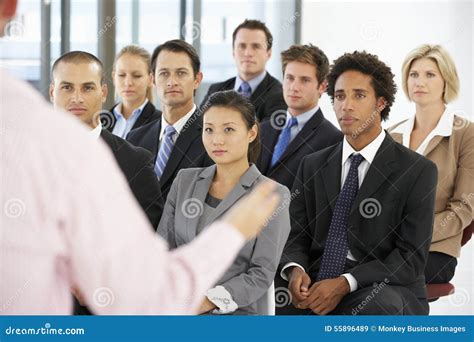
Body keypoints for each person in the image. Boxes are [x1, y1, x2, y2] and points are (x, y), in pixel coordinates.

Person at [1, 0, 281, 312]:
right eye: (67, 87)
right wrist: (231, 232)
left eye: (228, 130)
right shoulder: (77, 144)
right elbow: (153, 276)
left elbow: (256, 272)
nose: (77, 97)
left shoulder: (124, 155)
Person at [280, 51, 438, 315]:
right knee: (269, 290)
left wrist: (345, 283)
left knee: (378, 306)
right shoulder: (312, 164)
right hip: (317, 280)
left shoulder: (418, 170)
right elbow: (296, 234)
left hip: (381, 285)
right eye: (340, 96)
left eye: (359, 95)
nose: (347, 105)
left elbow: (410, 259)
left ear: (381, 103)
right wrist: (295, 269)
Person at [157, 91, 291, 315]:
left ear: (251, 133)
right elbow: (163, 250)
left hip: (234, 312)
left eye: (228, 129)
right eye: (209, 129)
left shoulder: (272, 194)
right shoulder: (184, 180)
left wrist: (205, 302)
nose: (216, 139)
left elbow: (261, 273)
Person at [49, 50, 163, 230]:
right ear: (52, 92)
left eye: (87, 88)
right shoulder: (24, 157)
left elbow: (147, 238)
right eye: (67, 87)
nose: (77, 98)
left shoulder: (135, 163)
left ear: (103, 93)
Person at [389, 44, 474, 284]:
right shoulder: (391, 135)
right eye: (414, 74)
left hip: (434, 252)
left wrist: (411, 236)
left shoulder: (466, 133)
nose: (419, 82)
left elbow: (464, 208)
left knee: (372, 278)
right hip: (388, 248)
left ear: (446, 81)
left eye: (430, 75)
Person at [127, 40, 213, 201]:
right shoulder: (135, 138)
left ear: (197, 79)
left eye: (181, 73)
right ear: (152, 80)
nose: (172, 82)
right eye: (164, 73)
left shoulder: (212, 137)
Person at [257, 44, 342, 192]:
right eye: (289, 78)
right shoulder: (264, 128)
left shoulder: (333, 140)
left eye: (304, 80)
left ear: (322, 87)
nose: (294, 87)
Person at [201, 19, 286, 122]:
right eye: (242, 46)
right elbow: (198, 130)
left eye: (256, 47)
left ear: (268, 53)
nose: (247, 53)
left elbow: (267, 136)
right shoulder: (216, 89)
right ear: (233, 52)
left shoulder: (279, 95)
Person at [104, 45, 161, 138]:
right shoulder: (101, 120)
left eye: (137, 76)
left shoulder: (160, 122)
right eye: (122, 75)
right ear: (114, 77)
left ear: (151, 79)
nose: (128, 83)